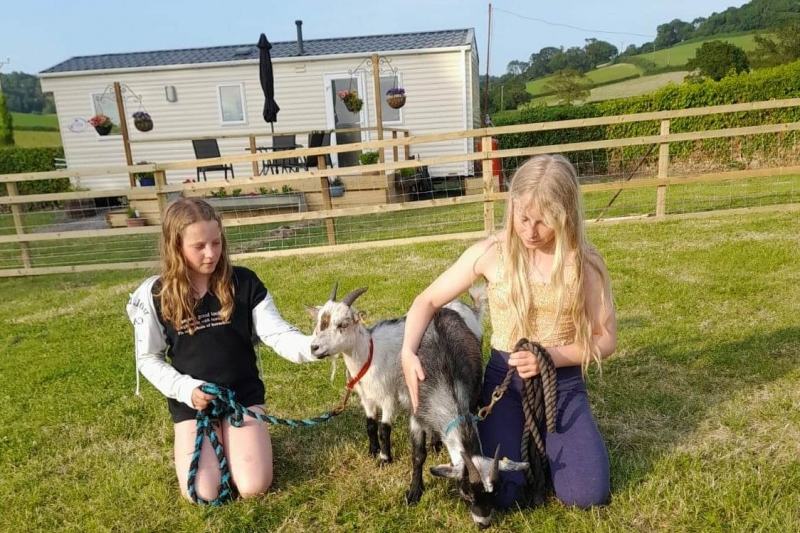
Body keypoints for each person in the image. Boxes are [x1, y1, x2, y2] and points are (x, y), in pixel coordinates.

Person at [400, 154, 617, 510]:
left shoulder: (583, 263)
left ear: (565, 216)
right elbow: (426, 300)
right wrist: (408, 351)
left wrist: (551, 357)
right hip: (504, 386)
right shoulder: (491, 253)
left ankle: (553, 444)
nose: (530, 231)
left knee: (587, 495)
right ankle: (537, 446)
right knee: (503, 494)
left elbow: (606, 338)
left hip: (560, 384)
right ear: (511, 207)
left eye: (544, 222)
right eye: (523, 218)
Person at [126, 198, 316, 503]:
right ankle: (221, 442)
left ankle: (242, 440)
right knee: (202, 491)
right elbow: (148, 358)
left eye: (216, 242)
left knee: (254, 486)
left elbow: (277, 333)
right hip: (194, 405)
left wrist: (312, 346)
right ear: (175, 247)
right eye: (199, 246)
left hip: (241, 397)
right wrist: (187, 389)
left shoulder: (244, 282)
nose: (211, 253)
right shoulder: (156, 295)